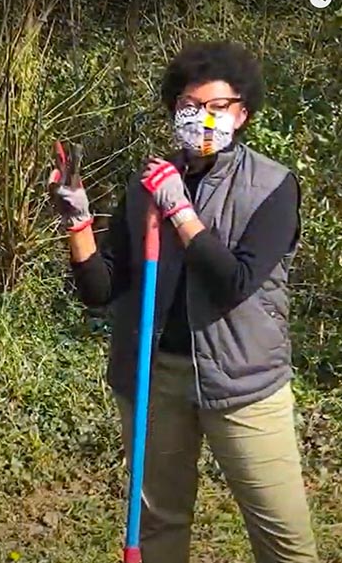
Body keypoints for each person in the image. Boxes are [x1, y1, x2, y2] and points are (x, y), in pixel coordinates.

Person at [49, 41, 317, 563]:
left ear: (242, 114)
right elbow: (102, 289)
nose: (203, 119)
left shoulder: (272, 187)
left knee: (283, 537)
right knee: (158, 527)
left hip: (242, 382)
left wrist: (181, 210)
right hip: (155, 378)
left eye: (218, 108)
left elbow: (234, 282)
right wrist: (77, 220)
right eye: (190, 107)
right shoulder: (147, 182)